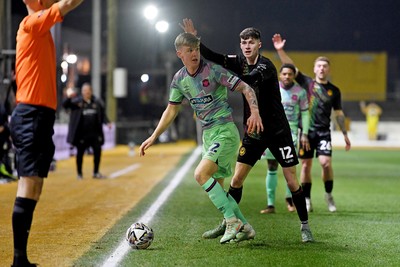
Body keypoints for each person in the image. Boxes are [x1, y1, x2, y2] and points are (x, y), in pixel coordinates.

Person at [181, 19, 314, 242]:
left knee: (291, 180)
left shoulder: (267, 66)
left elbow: (249, 81)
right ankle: (228, 223)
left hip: (278, 131)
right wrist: (196, 39)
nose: (247, 46)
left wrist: (222, 79)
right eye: (243, 42)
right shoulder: (239, 61)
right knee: (237, 179)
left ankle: (305, 226)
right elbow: (213, 56)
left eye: (251, 42)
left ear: (259, 44)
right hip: (254, 131)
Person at [139, 32, 264, 244]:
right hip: (208, 135)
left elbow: (245, 87)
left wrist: (255, 112)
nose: (195, 53)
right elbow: (171, 110)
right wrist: (154, 136)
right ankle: (245, 226)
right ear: (180, 54)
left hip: (224, 131)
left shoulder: (213, 71)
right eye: (189, 51)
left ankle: (231, 220)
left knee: (200, 174)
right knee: (215, 185)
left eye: (196, 49)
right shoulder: (179, 79)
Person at [10, 1, 84, 266]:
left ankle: (22, 259)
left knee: (36, 186)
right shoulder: (31, 23)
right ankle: (18, 260)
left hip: (41, 115)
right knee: (28, 183)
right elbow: (66, 4)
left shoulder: (40, 27)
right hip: (30, 114)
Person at [272, 33, 351, 213]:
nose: (322, 69)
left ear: (328, 70)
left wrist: (345, 135)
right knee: (306, 165)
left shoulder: (334, 91)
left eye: (325, 66)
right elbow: (290, 66)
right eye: (319, 66)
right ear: (314, 69)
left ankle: (328, 194)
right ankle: (307, 199)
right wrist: (280, 50)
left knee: (325, 163)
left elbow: (338, 113)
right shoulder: (307, 83)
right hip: (306, 132)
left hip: (323, 132)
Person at [260, 63, 310, 214]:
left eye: (290, 74)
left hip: (291, 134)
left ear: (294, 76)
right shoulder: (272, 90)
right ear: (280, 75)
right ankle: (270, 204)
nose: (287, 76)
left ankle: (290, 200)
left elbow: (306, 113)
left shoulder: (300, 92)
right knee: (272, 166)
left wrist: (305, 133)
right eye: (284, 74)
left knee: (290, 168)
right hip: (273, 133)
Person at [62, 83, 111, 179]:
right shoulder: (76, 102)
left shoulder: (97, 102)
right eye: (84, 90)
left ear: (91, 91)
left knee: (97, 152)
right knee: (80, 153)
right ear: (82, 92)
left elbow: (102, 115)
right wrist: (69, 97)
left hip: (95, 134)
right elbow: (65, 105)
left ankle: (96, 172)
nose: (86, 92)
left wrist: (107, 122)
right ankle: (79, 173)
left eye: (88, 90)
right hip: (81, 135)